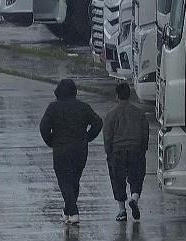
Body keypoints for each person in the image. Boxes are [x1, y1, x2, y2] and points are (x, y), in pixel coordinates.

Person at [39, 78, 102, 225]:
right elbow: (98, 123)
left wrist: (51, 141)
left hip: (61, 148)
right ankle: (67, 211)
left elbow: (44, 127)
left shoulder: (53, 108)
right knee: (74, 180)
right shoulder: (84, 107)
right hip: (80, 149)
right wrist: (88, 137)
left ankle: (73, 212)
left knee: (64, 180)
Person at [102, 82, 149, 221]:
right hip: (136, 149)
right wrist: (143, 149)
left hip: (117, 151)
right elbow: (145, 133)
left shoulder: (111, 114)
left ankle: (122, 210)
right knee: (136, 176)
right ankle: (134, 198)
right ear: (129, 95)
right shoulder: (139, 113)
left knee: (118, 180)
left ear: (117, 95)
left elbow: (108, 136)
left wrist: (109, 152)